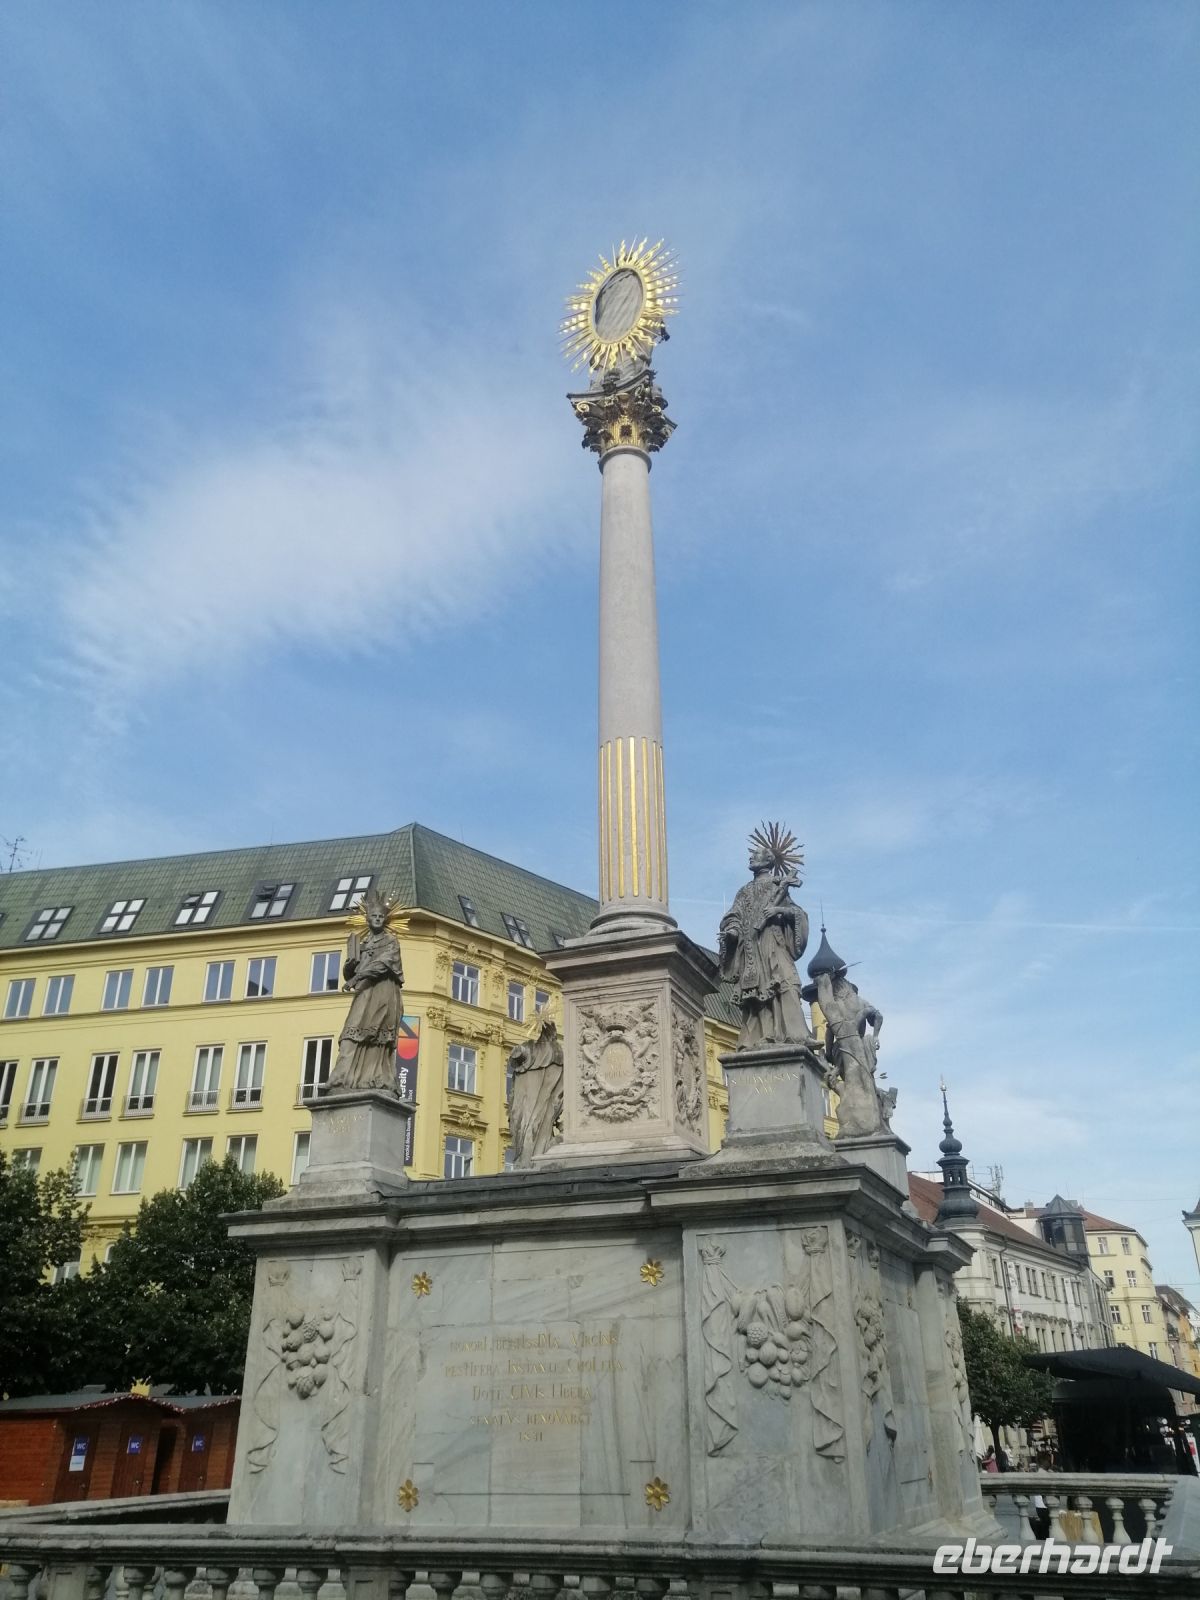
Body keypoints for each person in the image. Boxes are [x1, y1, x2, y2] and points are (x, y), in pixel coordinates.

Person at [719, 843, 814, 1049]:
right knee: (756, 992)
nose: (750, 857)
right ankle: (761, 1036)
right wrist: (732, 931)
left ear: (768, 860)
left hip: (773, 942)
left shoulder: (778, 886)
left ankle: (796, 1036)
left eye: (755, 854)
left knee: (788, 982)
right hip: (750, 947)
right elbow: (734, 915)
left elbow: (798, 914)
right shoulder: (744, 892)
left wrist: (779, 910)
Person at [328, 887, 404, 1092]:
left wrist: (357, 977)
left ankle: (376, 1077)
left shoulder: (390, 941)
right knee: (350, 1034)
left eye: (381, 916)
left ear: (386, 920)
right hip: (364, 992)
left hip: (383, 993)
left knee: (377, 1036)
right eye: (374, 916)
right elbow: (350, 973)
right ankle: (342, 1077)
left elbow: (385, 963)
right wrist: (350, 965)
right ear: (368, 919)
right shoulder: (362, 943)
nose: (378, 919)